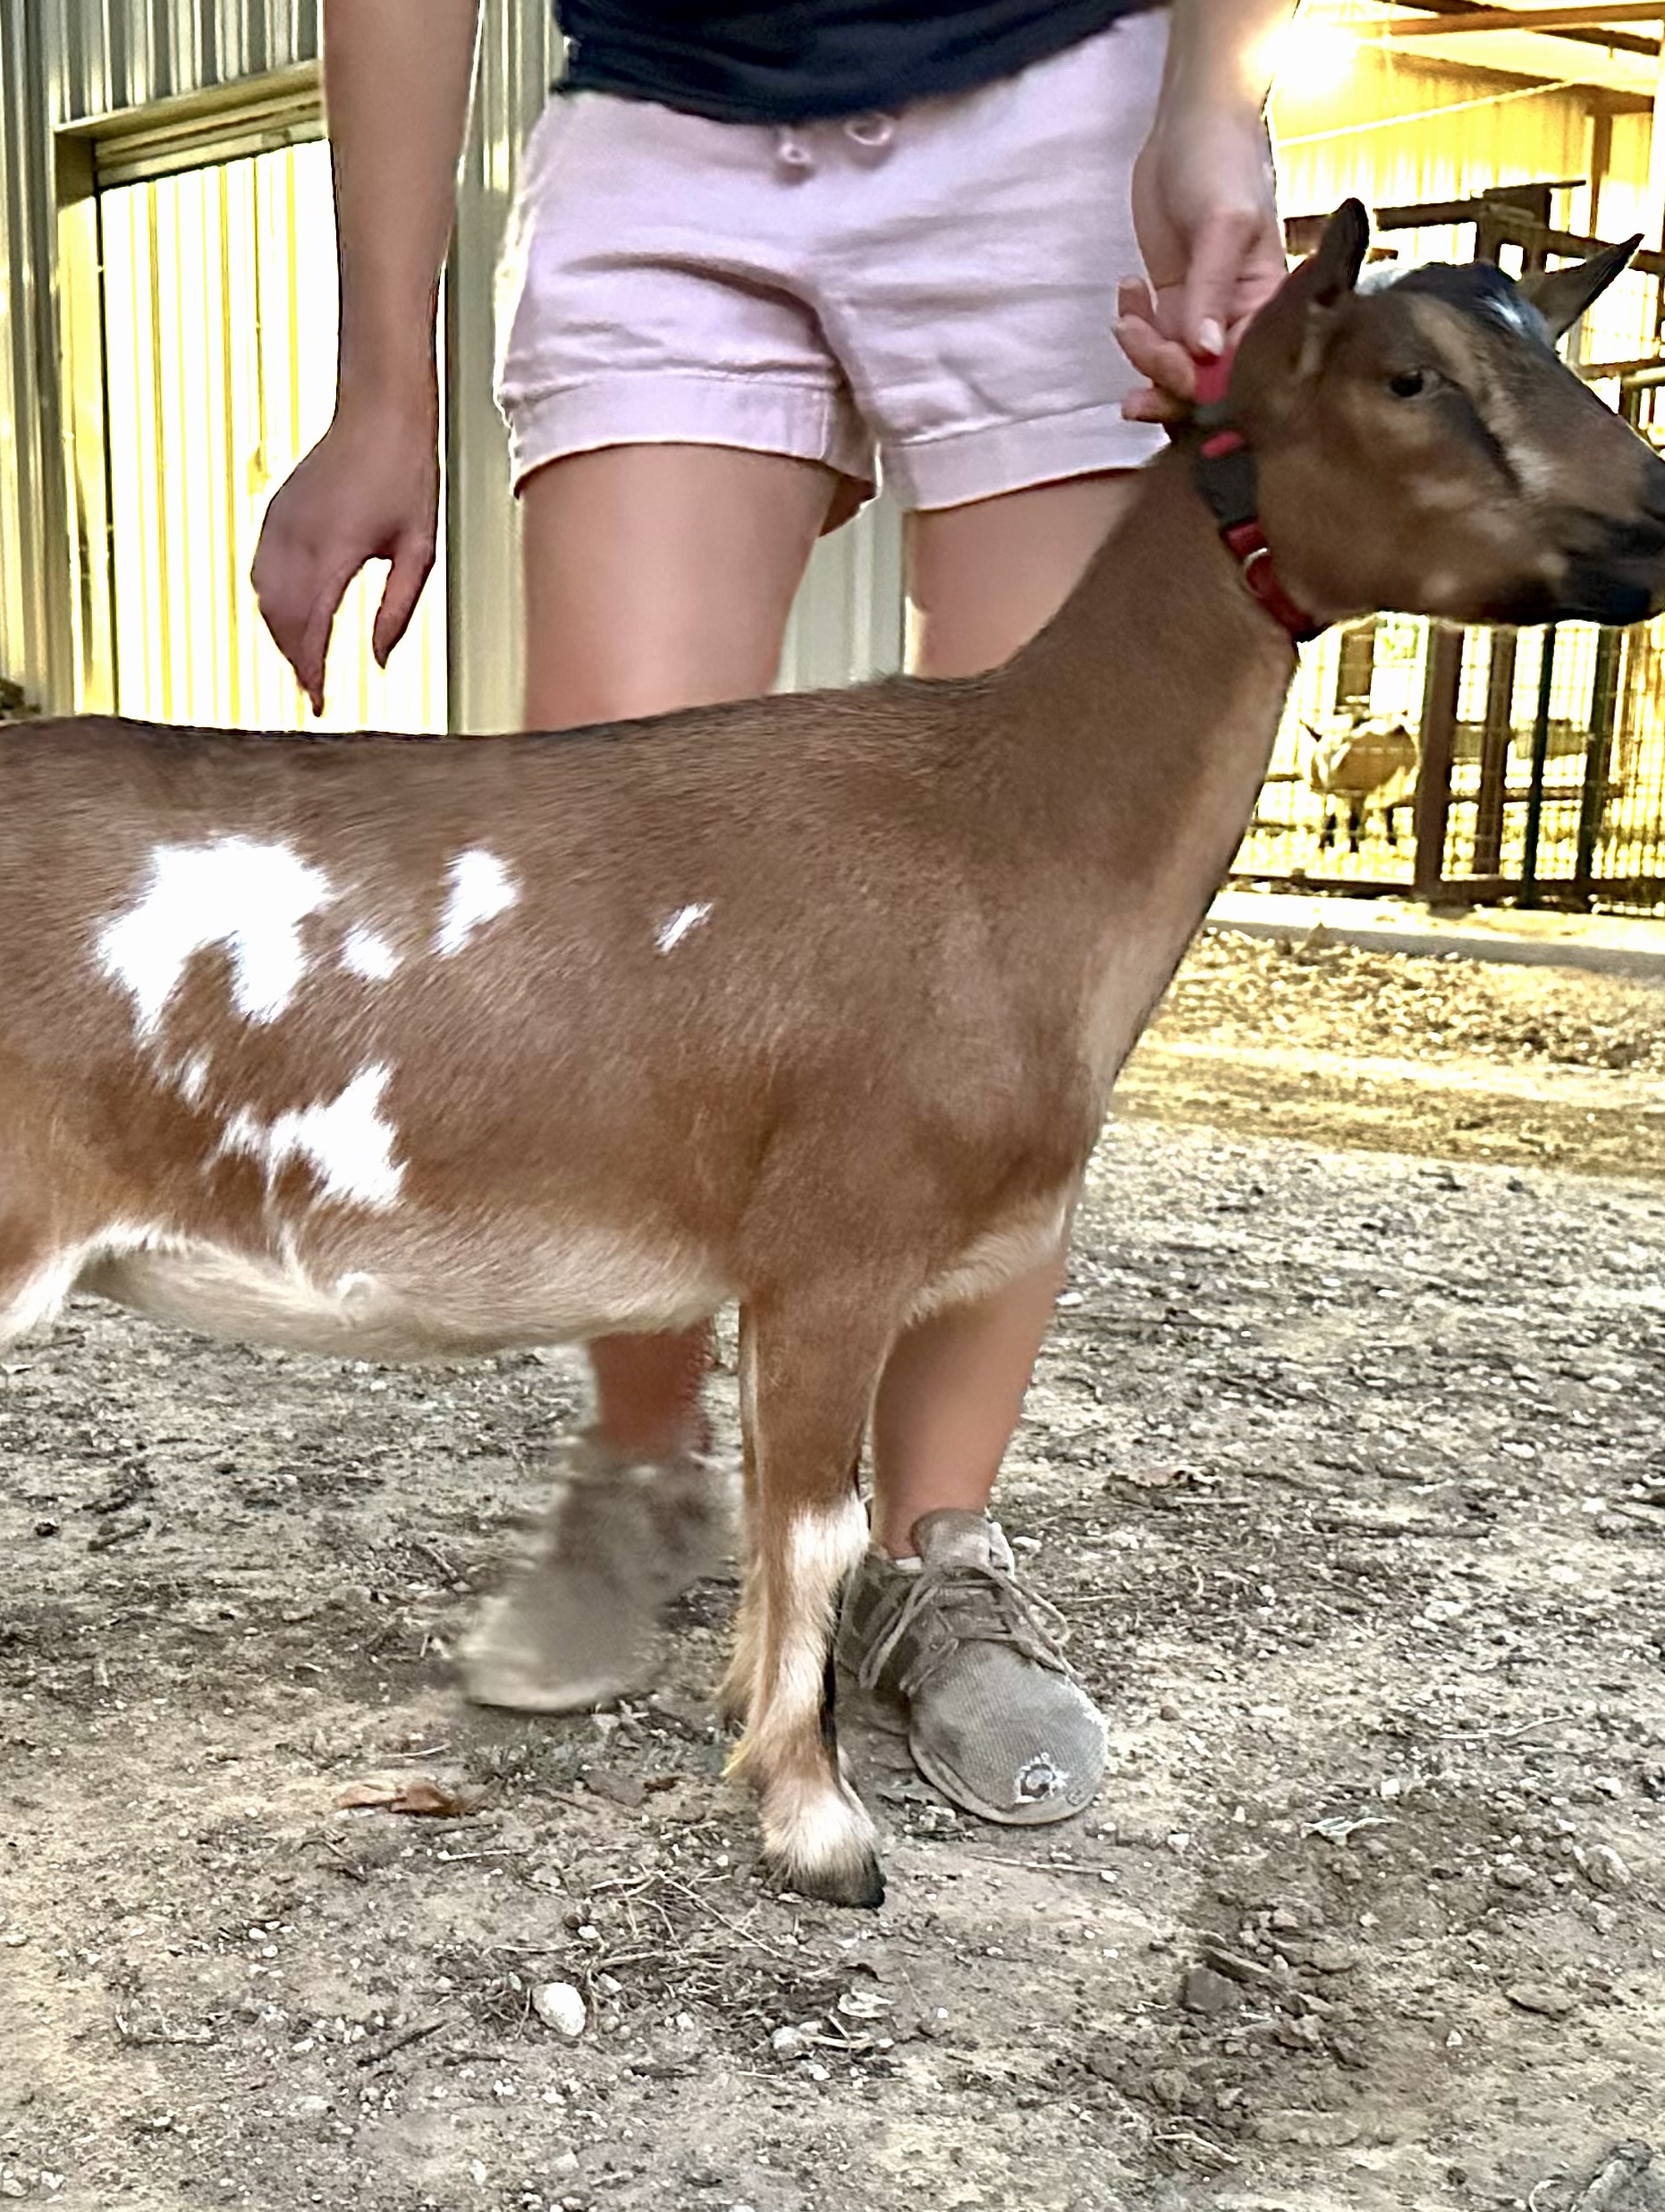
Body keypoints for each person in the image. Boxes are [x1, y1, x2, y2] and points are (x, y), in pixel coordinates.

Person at [253, 0, 1293, 1828]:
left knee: (1033, 900)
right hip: (674, 117)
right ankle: (648, 1468)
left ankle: (932, 1556)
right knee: (609, 895)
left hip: (1061, 116)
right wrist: (377, 387)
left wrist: (1210, 95)